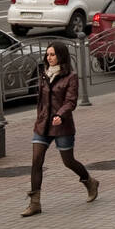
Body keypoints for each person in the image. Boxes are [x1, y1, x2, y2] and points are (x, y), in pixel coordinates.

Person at [21, 42, 98, 216]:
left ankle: (90, 182)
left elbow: (70, 101)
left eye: (53, 54)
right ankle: (35, 203)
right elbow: (41, 100)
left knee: (68, 161)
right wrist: (41, 116)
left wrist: (60, 115)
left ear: (61, 56)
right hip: (43, 125)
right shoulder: (44, 74)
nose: (49, 58)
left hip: (62, 125)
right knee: (36, 160)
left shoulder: (70, 77)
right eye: (47, 54)